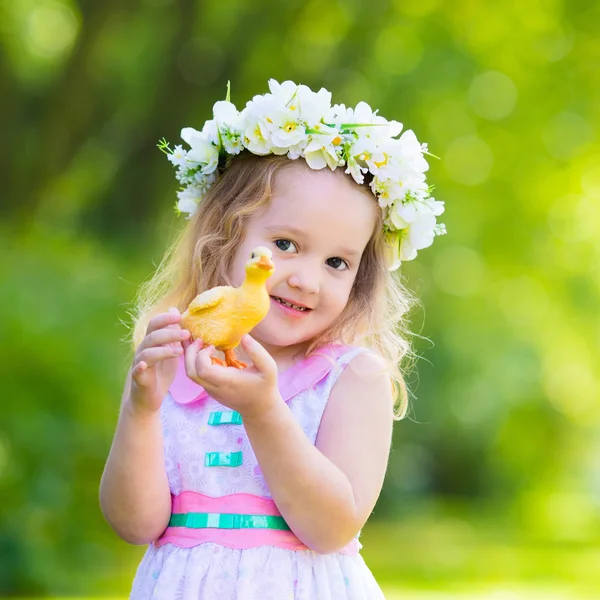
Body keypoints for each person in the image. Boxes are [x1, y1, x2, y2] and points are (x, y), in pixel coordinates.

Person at [99, 79, 445, 599]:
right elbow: (136, 524)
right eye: (285, 244)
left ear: (361, 278)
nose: (307, 278)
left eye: (336, 262)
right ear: (225, 236)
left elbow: (330, 529)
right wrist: (141, 411)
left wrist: (263, 411)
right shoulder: (179, 362)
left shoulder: (350, 378)